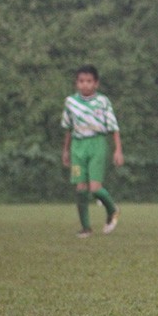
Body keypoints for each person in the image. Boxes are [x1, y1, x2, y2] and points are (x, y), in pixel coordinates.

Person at [61, 65, 122, 238]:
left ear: (96, 83)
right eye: (81, 81)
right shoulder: (70, 102)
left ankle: (112, 209)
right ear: (76, 83)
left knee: (95, 188)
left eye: (89, 81)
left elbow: (114, 128)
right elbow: (68, 128)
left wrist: (118, 150)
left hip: (97, 144)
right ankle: (86, 227)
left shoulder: (103, 102)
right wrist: (65, 150)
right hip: (77, 147)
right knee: (80, 188)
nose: (85, 85)